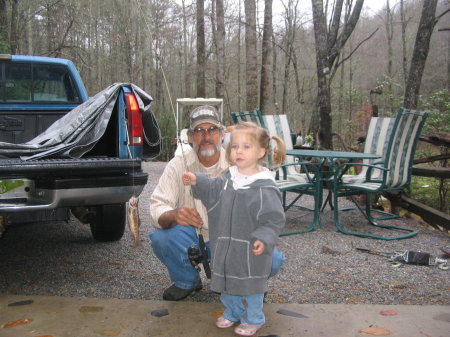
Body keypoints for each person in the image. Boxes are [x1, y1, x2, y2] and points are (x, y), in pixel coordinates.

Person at [149, 106, 285, 302]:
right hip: (193, 239)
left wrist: (264, 233)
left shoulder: (241, 162)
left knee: (273, 260)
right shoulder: (178, 164)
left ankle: (245, 284)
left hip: (232, 239)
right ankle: (187, 281)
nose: (206, 136)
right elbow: (156, 206)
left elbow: (266, 209)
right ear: (189, 137)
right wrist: (174, 215)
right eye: (199, 131)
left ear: (222, 135)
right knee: (162, 238)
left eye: (212, 130)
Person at [182, 122, 286, 336]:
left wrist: (264, 238)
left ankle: (254, 317)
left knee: (250, 286)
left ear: (261, 152)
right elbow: (212, 189)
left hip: (250, 249)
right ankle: (233, 311)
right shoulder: (228, 178)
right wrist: (197, 180)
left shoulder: (265, 186)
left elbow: (273, 219)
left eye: (246, 147)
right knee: (227, 283)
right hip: (226, 244)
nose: (239, 151)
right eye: (235, 146)